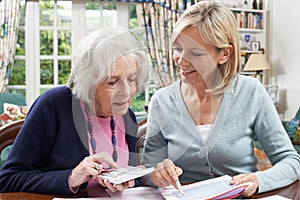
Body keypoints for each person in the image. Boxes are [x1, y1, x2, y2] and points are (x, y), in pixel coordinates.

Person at [140, 1, 300, 197]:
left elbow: (291, 161)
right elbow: (146, 169)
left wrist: (259, 180)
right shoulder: (161, 101)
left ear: (224, 54)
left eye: (195, 53)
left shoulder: (252, 93)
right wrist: (156, 174)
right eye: (177, 48)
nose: (181, 60)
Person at [0, 28, 149, 194]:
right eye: (112, 82)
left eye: (131, 79)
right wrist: (71, 177)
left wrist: (135, 179)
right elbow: (8, 180)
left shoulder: (127, 117)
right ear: (89, 82)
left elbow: (130, 181)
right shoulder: (53, 105)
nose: (127, 92)